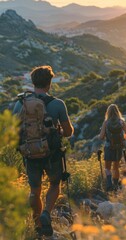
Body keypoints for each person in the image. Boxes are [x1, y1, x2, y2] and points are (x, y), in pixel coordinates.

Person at [13, 66, 74, 237]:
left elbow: (13, 131)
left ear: (33, 83)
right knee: (55, 184)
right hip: (52, 153)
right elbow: (68, 132)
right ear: (49, 84)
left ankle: (38, 224)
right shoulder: (57, 104)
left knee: (35, 190)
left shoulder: (20, 104)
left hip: (30, 154)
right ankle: (47, 212)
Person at [100, 104, 126, 191]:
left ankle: (109, 185)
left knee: (107, 168)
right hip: (119, 148)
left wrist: (106, 135)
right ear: (117, 112)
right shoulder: (121, 122)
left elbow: (101, 137)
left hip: (108, 147)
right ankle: (116, 185)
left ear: (108, 113)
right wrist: (122, 138)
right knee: (116, 168)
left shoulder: (106, 123)